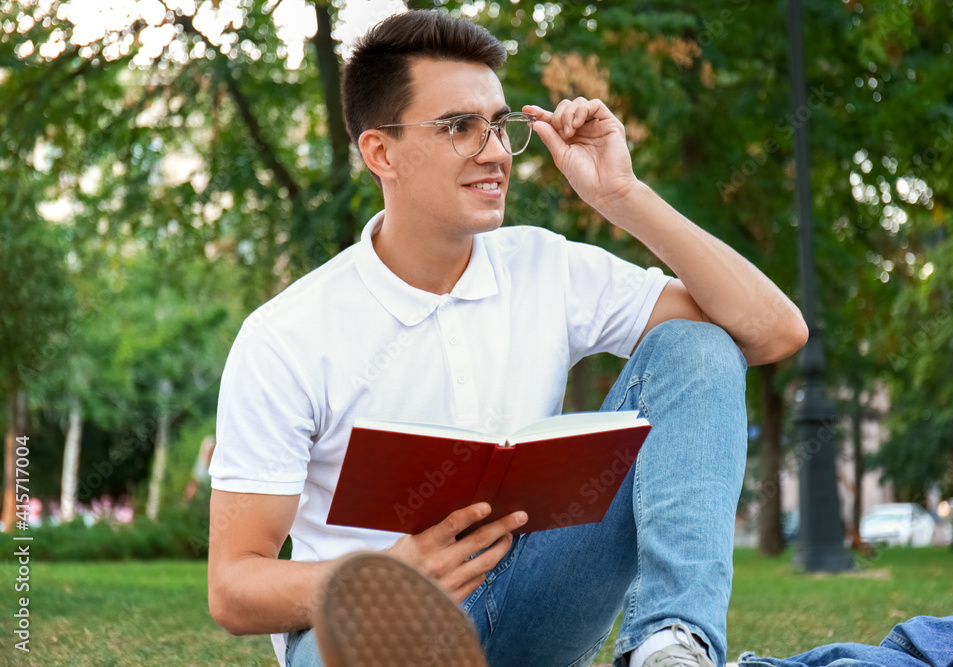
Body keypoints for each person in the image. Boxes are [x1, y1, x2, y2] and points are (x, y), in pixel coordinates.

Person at [207, 9, 808, 667]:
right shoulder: (287, 335)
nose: (495, 151)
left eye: (498, 125)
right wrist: (396, 569)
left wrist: (621, 193)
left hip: (532, 602)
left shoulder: (545, 266)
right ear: (381, 152)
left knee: (700, 344)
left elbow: (772, 330)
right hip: (369, 626)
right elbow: (235, 586)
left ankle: (670, 648)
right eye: (459, 127)